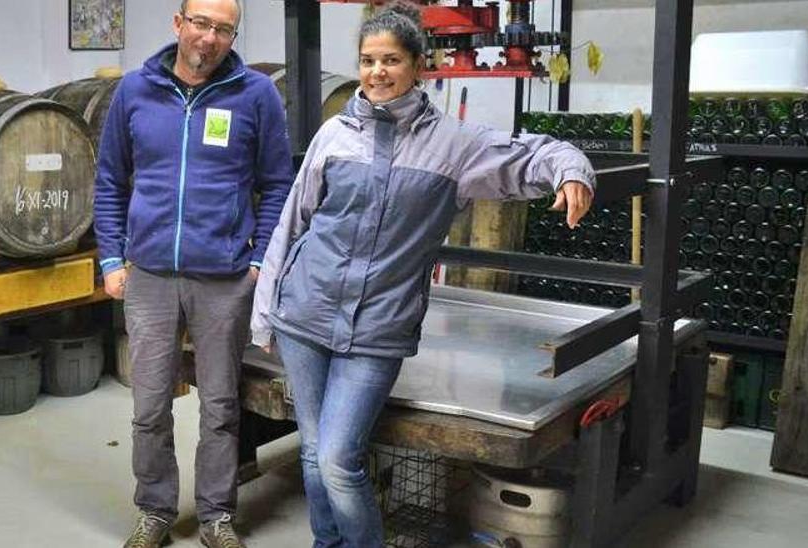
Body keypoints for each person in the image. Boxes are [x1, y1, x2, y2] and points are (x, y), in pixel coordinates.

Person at [249, 5, 595, 547]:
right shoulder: (333, 134)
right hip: (304, 313)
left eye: (390, 60)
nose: (376, 72)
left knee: (340, 459)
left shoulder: (453, 146)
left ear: (418, 65)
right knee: (315, 454)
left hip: (378, 328)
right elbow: (293, 221)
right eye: (367, 60)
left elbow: (535, 152)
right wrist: (265, 312)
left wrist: (572, 172)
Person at [92, 0, 293, 546]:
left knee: (221, 407)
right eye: (201, 23)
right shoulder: (135, 91)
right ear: (178, 24)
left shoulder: (256, 95)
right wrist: (112, 258)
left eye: (223, 29)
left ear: (233, 35)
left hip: (224, 278)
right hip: (151, 275)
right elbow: (110, 179)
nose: (210, 38)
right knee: (150, 405)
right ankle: (156, 509)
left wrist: (258, 263)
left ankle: (215, 516)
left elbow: (278, 184)